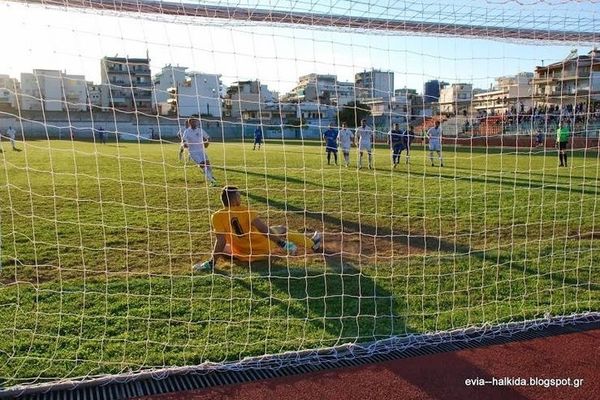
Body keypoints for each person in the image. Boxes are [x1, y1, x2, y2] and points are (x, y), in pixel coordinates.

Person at [193, 186, 322, 272]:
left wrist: (212, 262)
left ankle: (223, 261)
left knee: (224, 246)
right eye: (238, 196)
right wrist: (282, 243)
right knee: (281, 229)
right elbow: (263, 229)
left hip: (243, 251)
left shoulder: (216, 216)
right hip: (261, 247)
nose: (240, 198)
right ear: (234, 200)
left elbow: (220, 242)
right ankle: (313, 244)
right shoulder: (245, 210)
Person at [181, 117, 218, 185]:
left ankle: (211, 176)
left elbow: (208, 137)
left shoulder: (200, 130)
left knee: (208, 165)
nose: (194, 123)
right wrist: (185, 144)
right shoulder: (187, 131)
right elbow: (184, 140)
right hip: (193, 152)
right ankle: (212, 181)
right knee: (202, 165)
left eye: (195, 122)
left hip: (201, 151)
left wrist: (207, 143)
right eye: (192, 122)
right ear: (189, 123)